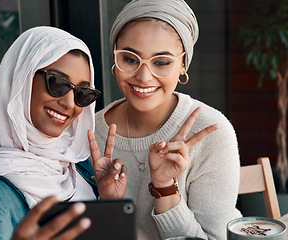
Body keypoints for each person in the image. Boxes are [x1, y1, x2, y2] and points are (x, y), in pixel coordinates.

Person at [0, 26, 127, 240]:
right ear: (21, 79)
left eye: (82, 92)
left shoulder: (75, 166)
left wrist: (107, 202)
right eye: (57, 83)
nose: (69, 103)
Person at [91, 0, 242, 239]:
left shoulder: (213, 133)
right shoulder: (89, 134)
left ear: (183, 65)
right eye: (130, 58)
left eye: (161, 62)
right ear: (115, 58)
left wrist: (165, 188)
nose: (143, 76)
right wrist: (106, 205)